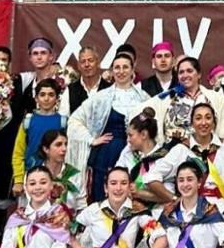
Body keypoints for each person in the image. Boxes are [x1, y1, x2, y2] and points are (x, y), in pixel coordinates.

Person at [67, 50, 149, 202]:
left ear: (132, 70)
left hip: (136, 156)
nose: (121, 71)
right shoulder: (101, 97)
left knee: (135, 198)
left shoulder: (144, 98)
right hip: (106, 155)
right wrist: (91, 139)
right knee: (103, 198)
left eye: (125, 67)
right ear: (112, 71)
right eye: (117, 67)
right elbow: (74, 120)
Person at [10, 78, 66, 194]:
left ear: (57, 99)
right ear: (36, 98)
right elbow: (18, 152)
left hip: (55, 178)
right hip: (31, 176)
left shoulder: (63, 122)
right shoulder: (28, 122)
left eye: (51, 95)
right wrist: (19, 180)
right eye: (42, 95)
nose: (46, 98)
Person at [115, 109, 167, 204]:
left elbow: (168, 196)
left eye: (131, 135)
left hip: (155, 212)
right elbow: (116, 175)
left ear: (143, 134)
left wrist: (139, 193)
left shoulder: (164, 157)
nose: (128, 140)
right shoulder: (128, 151)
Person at [34, 129, 85, 212]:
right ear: (46, 149)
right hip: (40, 222)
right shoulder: (35, 175)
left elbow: (81, 206)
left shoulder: (74, 174)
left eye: (66, 144)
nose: (64, 149)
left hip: (70, 223)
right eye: (58, 145)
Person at [67, 45, 108, 113]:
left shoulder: (110, 89)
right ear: (78, 66)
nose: (87, 64)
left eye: (90, 60)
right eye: (83, 61)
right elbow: (64, 120)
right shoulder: (70, 90)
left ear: (98, 63)